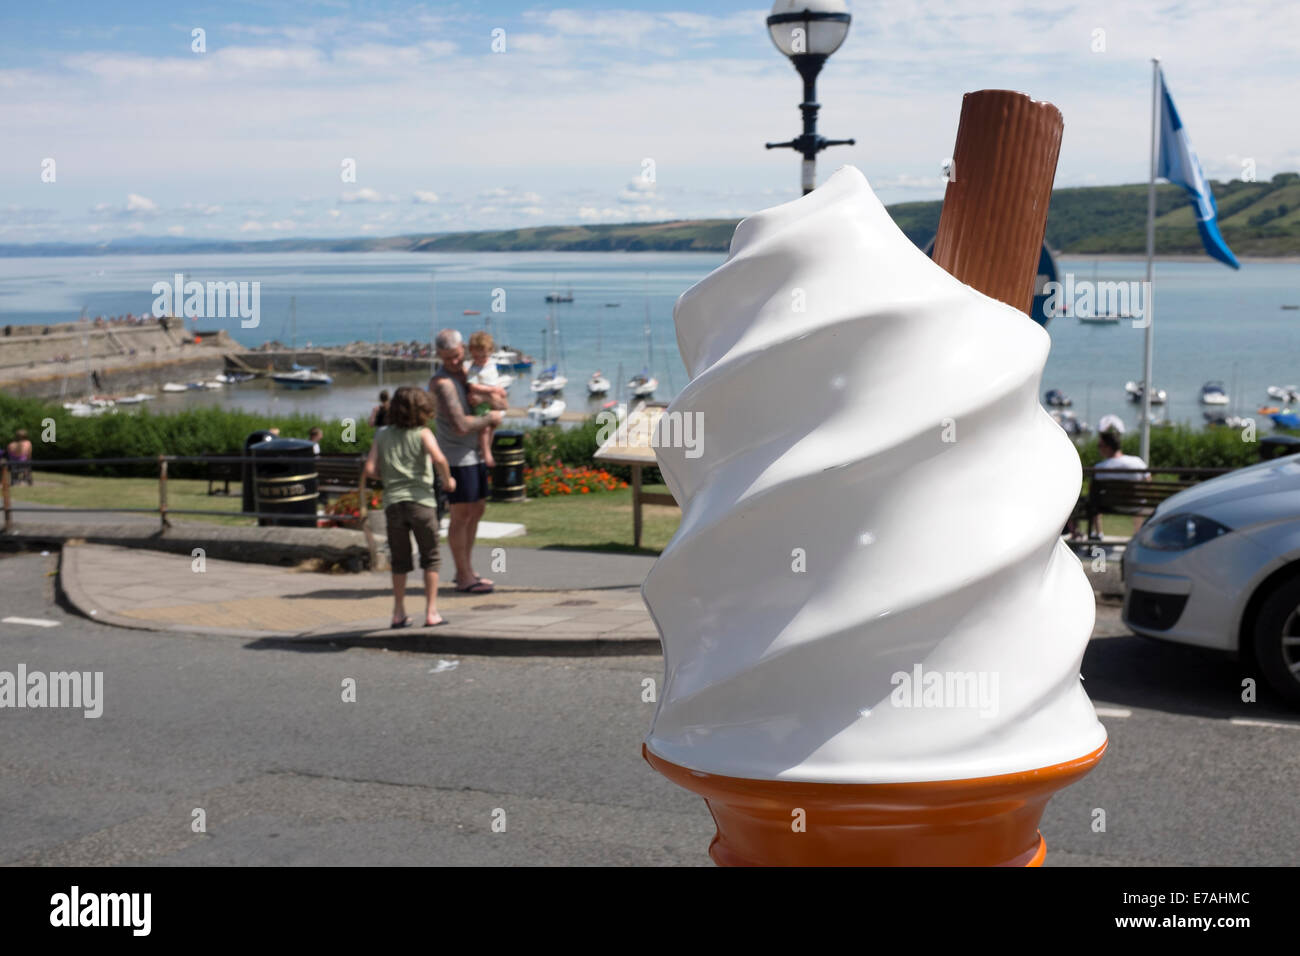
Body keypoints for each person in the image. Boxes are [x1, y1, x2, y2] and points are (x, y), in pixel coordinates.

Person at [363, 386, 456, 629]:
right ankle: (431, 612)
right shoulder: (423, 433)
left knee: (399, 561)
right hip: (421, 502)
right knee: (430, 558)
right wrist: (448, 480)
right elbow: (439, 459)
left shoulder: (382, 434)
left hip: (393, 504)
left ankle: (398, 612)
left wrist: (389, 476)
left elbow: (370, 469)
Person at [429, 328, 504, 594]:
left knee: (477, 511)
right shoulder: (443, 383)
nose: (454, 361)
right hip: (457, 458)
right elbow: (460, 425)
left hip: (475, 455)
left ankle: (468, 569)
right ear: (438, 355)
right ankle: (463, 576)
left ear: (464, 349)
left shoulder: (469, 373)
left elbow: (500, 401)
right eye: (447, 357)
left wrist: (492, 403)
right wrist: (491, 418)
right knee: (461, 516)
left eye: (457, 355)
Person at [1087, 428, 1150, 540]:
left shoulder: (1100, 468)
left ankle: (1099, 534)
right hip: (1136, 506)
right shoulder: (1137, 462)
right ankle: (1137, 535)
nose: (1098, 448)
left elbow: (1092, 491)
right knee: (1140, 502)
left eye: (1100, 445)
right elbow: (1148, 483)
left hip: (1111, 506)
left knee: (1094, 501)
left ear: (1108, 447)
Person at [465, 330, 509, 468]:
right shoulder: (474, 368)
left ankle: (487, 449)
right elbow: (473, 386)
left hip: (492, 398)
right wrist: (492, 390)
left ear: (490, 351)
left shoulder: (491, 364)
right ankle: (486, 453)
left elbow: (494, 380)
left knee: (493, 426)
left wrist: (499, 389)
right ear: (472, 353)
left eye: (484, 356)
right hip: (481, 401)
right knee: (484, 428)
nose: (480, 359)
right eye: (477, 357)